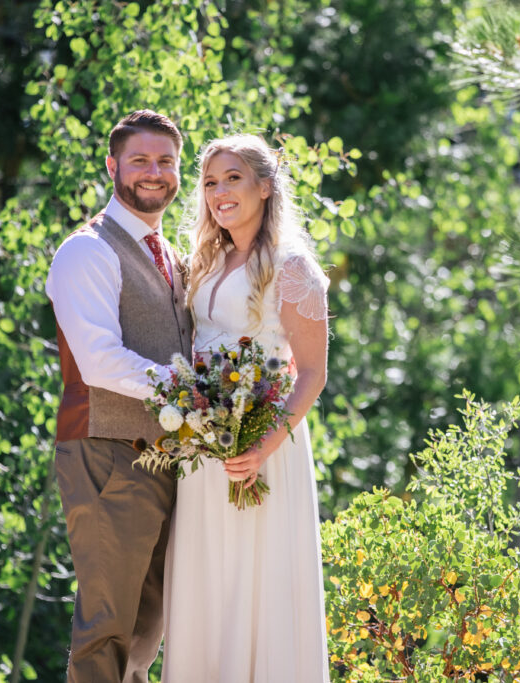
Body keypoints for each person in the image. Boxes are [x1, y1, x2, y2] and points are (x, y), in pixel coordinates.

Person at [161, 134, 331, 681]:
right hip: (206, 450)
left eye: (232, 178)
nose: (218, 192)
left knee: (257, 584)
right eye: (210, 182)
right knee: (207, 582)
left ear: (264, 185)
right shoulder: (206, 261)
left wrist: (261, 447)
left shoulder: (291, 264)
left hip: (264, 447)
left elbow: (312, 372)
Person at [45, 110, 193, 682]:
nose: (154, 172)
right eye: (140, 160)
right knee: (107, 625)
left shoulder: (172, 256)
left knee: (146, 628)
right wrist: (192, 390)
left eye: (165, 161)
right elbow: (99, 359)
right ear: (113, 166)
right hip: (108, 453)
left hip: (166, 458)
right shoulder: (87, 251)